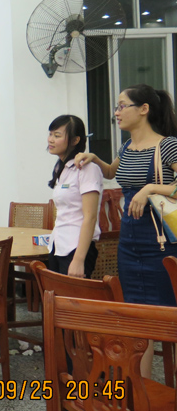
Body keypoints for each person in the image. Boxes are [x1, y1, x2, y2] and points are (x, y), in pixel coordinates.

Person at [75, 84, 177, 377]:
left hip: (161, 241)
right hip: (130, 242)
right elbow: (112, 172)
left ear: (144, 109)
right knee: (137, 318)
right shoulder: (127, 147)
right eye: (117, 107)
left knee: (169, 314)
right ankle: (142, 390)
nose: (116, 113)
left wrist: (150, 188)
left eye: (122, 106)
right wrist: (95, 159)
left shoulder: (167, 145)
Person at [46, 115, 103, 278]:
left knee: (73, 295)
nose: (50, 140)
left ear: (75, 140)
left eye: (57, 135)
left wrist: (78, 260)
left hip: (76, 248)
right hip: (58, 245)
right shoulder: (61, 167)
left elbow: (90, 217)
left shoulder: (87, 168)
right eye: (50, 134)